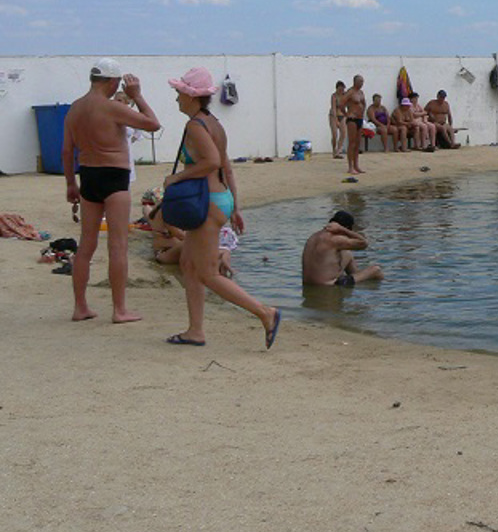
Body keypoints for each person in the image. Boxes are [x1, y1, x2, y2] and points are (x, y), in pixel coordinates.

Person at [164, 66, 281, 348]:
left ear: (192, 96)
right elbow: (225, 165)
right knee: (188, 264)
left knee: (206, 273)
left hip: (207, 202)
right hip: (219, 198)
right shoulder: (213, 122)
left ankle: (265, 313)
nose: (176, 98)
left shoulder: (195, 125)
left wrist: (176, 177)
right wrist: (236, 207)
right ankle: (195, 331)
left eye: (179, 92)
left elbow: (213, 161)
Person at [62, 58, 161, 323]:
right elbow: (153, 124)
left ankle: (80, 307)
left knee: (86, 246)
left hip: (89, 175)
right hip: (115, 176)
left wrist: (71, 183)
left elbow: (66, 150)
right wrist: (137, 96)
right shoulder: (111, 108)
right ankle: (119, 310)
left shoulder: (74, 109)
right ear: (111, 81)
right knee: (118, 245)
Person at [302, 211, 384, 286]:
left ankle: (354, 279)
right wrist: (342, 229)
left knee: (347, 253)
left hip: (308, 284)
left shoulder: (313, 237)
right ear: (346, 227)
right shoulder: (335, 239)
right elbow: (364, 243)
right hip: (329, 285)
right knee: (376, 270)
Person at [340, 75, 367, 175]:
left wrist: (362, 112)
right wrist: (347, 113)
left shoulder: (361, 93)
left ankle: (356, 165)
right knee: (352, 143)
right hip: (352, 119)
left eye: (363, 82)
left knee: (358, 143)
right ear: (355, 82)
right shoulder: (350, 92)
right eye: (360, 82)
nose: (362, 84)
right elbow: (341, 103)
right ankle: (350, 167)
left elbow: (364, 103)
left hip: (359, 119)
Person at [329, 80, 347, 158]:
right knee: (335, 134)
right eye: (340, 89)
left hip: (342, 115)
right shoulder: (334, 96)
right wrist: (336, 120)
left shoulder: (345, 96)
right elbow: (333, 108)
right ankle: (334, 149)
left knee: (343, 133)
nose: (341, 91)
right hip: (333, 115)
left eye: (342, 89)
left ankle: (338, 150)